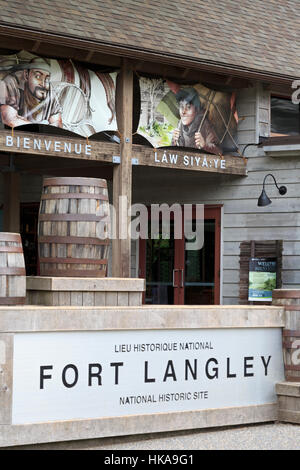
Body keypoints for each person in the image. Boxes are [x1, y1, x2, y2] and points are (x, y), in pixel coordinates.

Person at [0, 57, 62, 128]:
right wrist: (41, 128)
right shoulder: (11, 82)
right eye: (38, 76)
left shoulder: (50, 90)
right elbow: (9, 120)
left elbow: (58, 123)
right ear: (26, 75)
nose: (43, 84)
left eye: (47, 78)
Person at [171, 87, 222, 155]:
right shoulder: (179, 125)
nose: (183, 112)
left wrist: (204, 145)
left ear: (196, 110)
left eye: (188, 107)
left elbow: (219, 151)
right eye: (181, 107)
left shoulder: (204, 124)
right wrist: (173, 143)